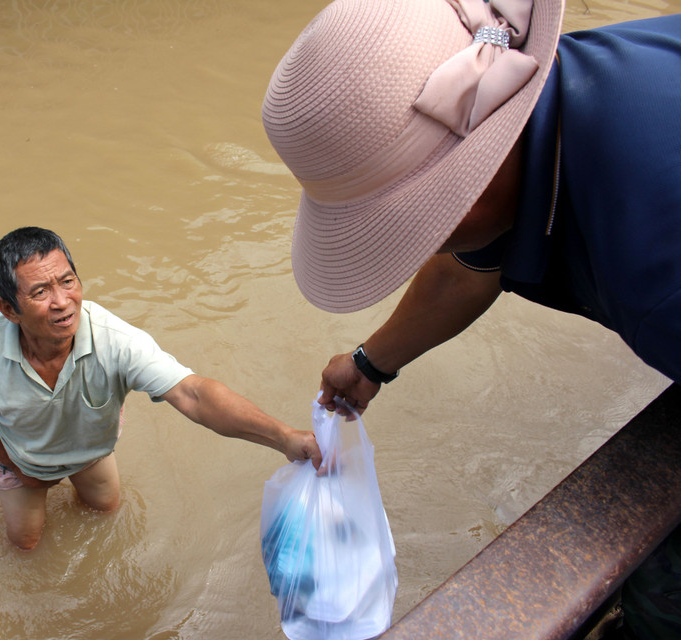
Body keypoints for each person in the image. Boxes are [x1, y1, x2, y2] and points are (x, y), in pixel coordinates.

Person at [260, 0, 681, 637]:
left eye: (409, 223)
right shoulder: (552, 114)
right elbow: (469, 266)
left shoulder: (656, 259)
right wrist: (371, 362)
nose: (416, 245)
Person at [0, 227, 321, 551]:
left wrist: (285, 437)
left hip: (90, 452)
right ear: (9, 310)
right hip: (23, 461)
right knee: (26, 543)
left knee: (106, 512)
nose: (62, 302)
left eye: (67, 282)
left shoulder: (116, 341)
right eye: (40, 292)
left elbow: (193, 394)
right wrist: (17, 467)